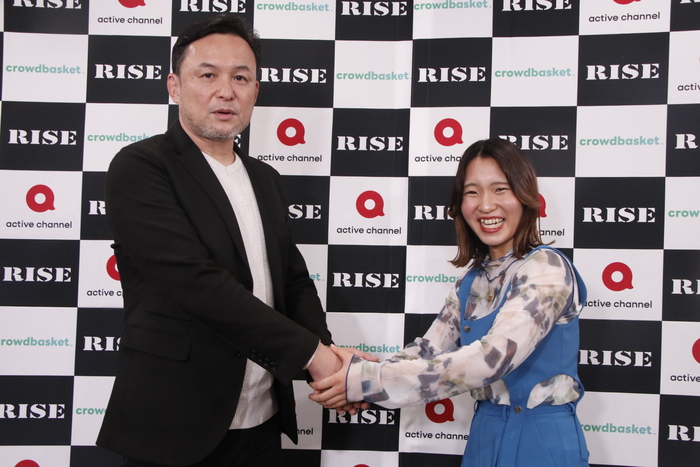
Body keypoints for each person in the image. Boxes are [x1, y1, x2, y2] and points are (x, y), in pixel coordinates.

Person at [97, 15, 368, 467]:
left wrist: (329, 360)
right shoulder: (140, 167)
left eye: (240, 78)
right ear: (174, 86)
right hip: (173, 422)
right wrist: (313, 356)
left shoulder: (266, 179)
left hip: (261, 420)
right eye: (208, 75)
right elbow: (196, 284)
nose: (226, 91)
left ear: (255, 91)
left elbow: (293, 281)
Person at [310, 138, 590, 467]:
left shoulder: (547, 267)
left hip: (541, 440)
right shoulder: (471, 281)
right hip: (484, 434)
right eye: (472, 192)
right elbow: (427, 351)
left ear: (525, 195)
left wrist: (363, 381)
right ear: (460, 204)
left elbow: (491, 360)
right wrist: (356, 374)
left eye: (500, 189)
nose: (486, 205)